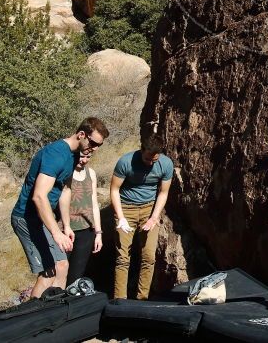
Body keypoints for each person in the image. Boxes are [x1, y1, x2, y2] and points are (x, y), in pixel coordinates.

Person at [11, 118, 109, 299]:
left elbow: (65, 190)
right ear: (81, 135)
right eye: (93, 143)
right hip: (27, 218)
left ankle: (55, 312)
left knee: (63, 266)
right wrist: (56, 233)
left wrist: (67, 225)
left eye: (99, 146)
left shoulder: (72, 156)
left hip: (42, 218)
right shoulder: (56, 154)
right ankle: (34, 315)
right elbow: (39, 197)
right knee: (49, 271)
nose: (94, 149)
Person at [110, 135, 174, 300]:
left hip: (148, 210)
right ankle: (119, 300)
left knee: (149, 257)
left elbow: (163, 192)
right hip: (126, 208)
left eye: (154, 159)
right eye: (147, 158)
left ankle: (142, 298)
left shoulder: (165, 164)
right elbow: (114, 189)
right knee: (123, 258)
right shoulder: (126, 162)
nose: (150, 163)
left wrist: (154, 217)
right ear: (141, 150)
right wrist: (120, 217)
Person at [63, 152, 103, 285]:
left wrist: (98, 233)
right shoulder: (64, 172)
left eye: (88, 157)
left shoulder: (90, 173)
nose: (84, 160)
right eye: (81, 156)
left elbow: (94, 204)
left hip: (86, 230)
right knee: (59, 272)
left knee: (76, 275)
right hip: (65, 231)